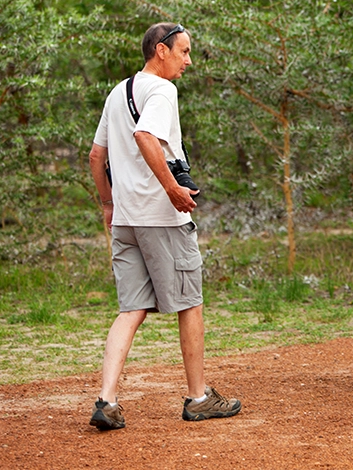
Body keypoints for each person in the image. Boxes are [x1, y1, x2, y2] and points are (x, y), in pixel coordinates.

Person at [87, 22, 241, 430]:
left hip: (125, 219)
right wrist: (173, 188)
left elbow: (94, 156)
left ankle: (107, 399)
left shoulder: (117, 92)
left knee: (131, 307)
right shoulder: (163, 90)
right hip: (161, 218)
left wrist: (108, 204)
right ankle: (198, 397)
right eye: (184, 51)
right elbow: (145, 135)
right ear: (161, 50)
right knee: (189, 302)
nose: (188, 60)